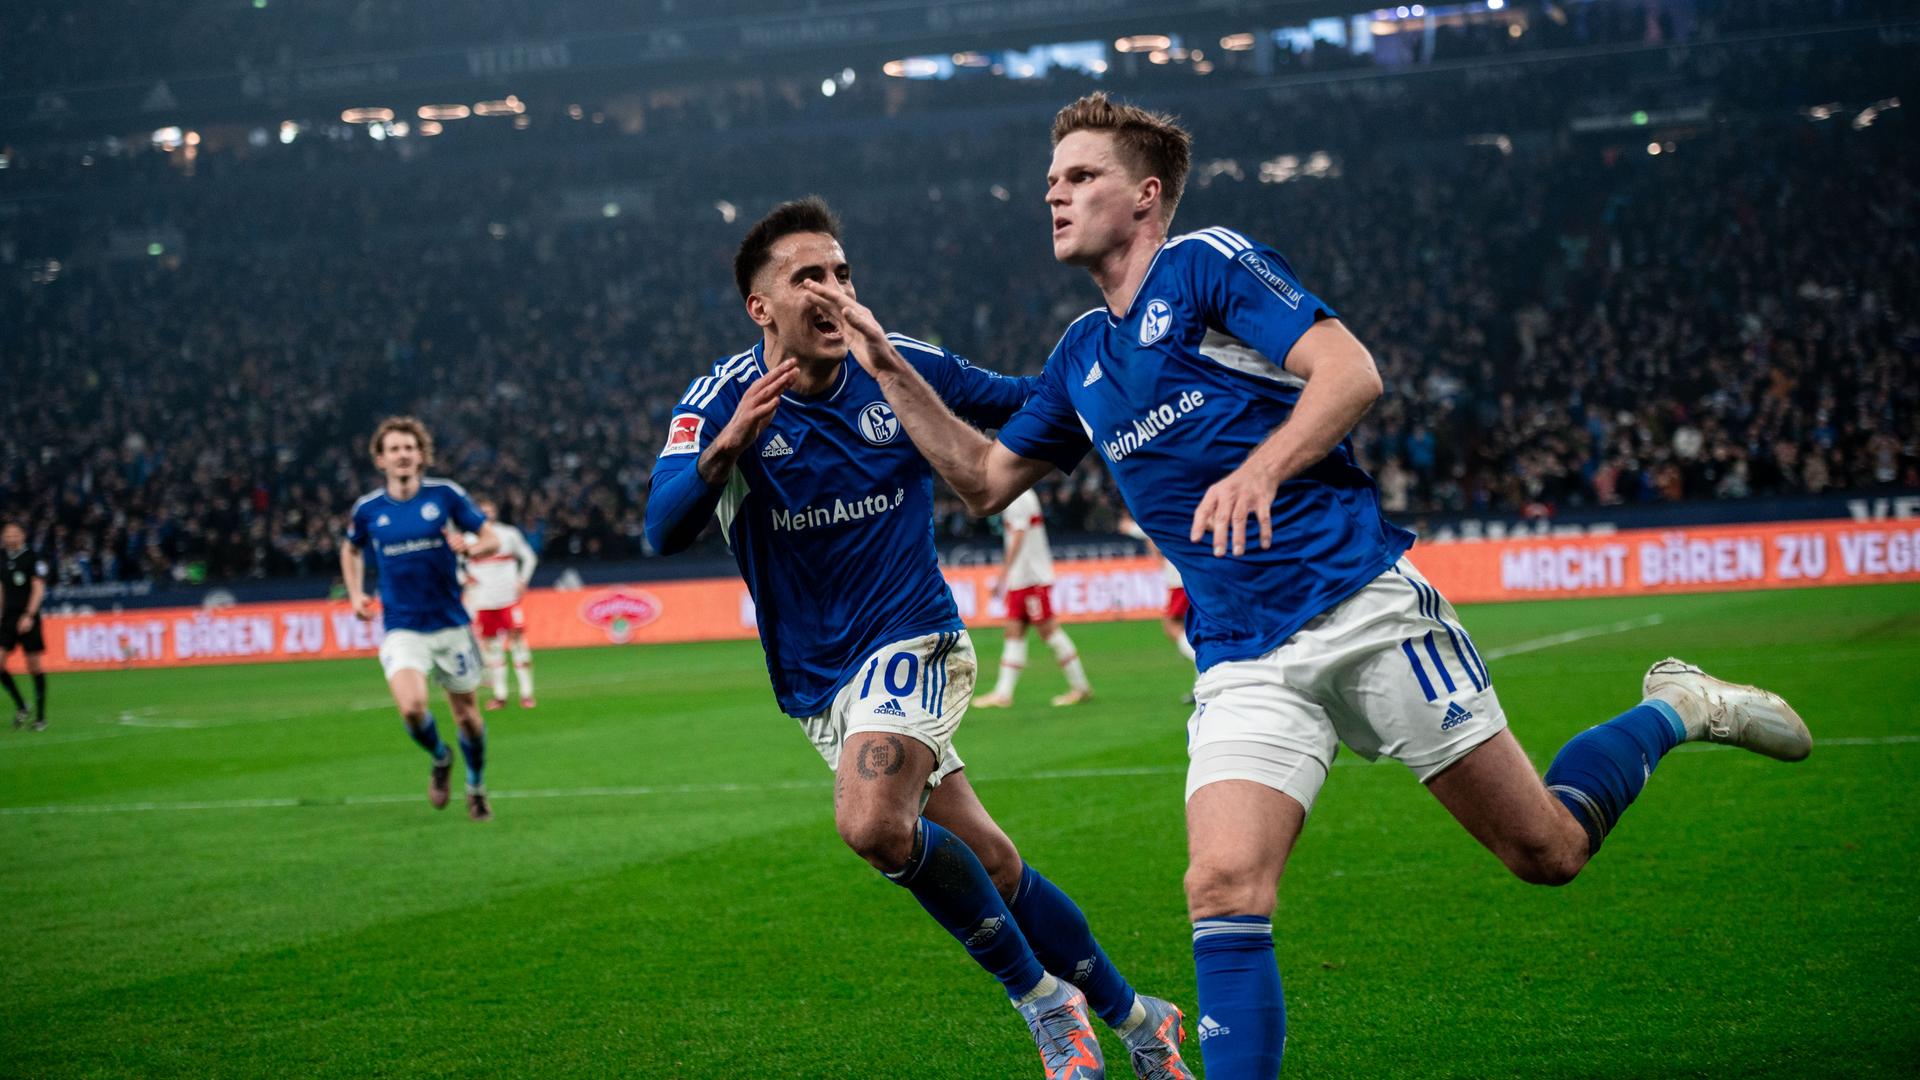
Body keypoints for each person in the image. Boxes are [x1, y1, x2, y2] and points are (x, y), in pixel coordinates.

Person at [803, 93, 1812, 1080]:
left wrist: (1262, 466)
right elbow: (982, 480)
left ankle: (1677, 705)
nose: (1054, 196)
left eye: (1079, 177)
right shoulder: (1081, 356)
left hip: (1360, 606)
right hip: (1243, 656)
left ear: (1146, 194)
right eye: (1049, 181)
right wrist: (888, 363)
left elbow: (1350, 371)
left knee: (1545, 849)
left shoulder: (1205, 267)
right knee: (1222, 885)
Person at [645, 196, 1193, 1080]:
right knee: (993, 862)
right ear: (762, 308)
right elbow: (660, 529)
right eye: (808, 277)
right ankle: (1139, 1019)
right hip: (819, 682)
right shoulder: (716, 402)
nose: (836, 290)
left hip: (914, 639)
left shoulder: (902, 363)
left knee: (869, 826)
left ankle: (1044, 1001)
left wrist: (1125, 369)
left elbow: (1034, 407)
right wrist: (727, 449)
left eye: (844, 272)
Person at [342, 417, 502, 822]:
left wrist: (470, 545)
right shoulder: (368, 510)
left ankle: (476, 786)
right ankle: (440, 756)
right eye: (394, 449)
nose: (402, 455)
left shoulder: (445, 496)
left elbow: (491, 539)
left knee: (468, 717)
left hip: (451, 625)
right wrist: (356, 592)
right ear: (381, 459)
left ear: (421, 455)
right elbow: (351, 550)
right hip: (403, 627)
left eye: (409, 448)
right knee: (412, 708)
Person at [973, 488, 1093, 709]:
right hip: (1021, 580)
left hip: (1031, 578)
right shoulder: (1018, 496)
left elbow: (1018, 535)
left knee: (1049, 632)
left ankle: (1080, 687)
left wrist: (1002, 575)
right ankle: (1003, 693)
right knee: (1013, 631)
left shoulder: (1018, 497)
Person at [463, 498, 539, 710]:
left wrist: (523, 580)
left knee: (518, 645)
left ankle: (526, 694)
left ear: (495, 512)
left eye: (489, 510)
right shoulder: (468, 539)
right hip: (484, 601)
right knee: (493, 649)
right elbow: (455, 564)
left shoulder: (508, 534)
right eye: (482, 511)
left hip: (508, 599)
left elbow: (529, 557)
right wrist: (463, 578)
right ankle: (500, 695)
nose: (486, 514)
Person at [1118, 513, 1195, 702]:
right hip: (1191, 573)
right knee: (1191, 628)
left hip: (1180, 577)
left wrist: (1129, 527)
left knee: (1171, 626)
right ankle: (1199, 685)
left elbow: (1151, 528)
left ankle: (1204, 665)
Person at [1, 522, 50, 731]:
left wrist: (29, 615)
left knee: (34, 666)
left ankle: (40, 717)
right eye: (7, 534)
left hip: (28, 617)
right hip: (8, 618)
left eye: (15, 534)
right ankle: (22, 705)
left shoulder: (33, 558)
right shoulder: (1, 558)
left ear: (23, 535)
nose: (11, 538)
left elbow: (38, 589)